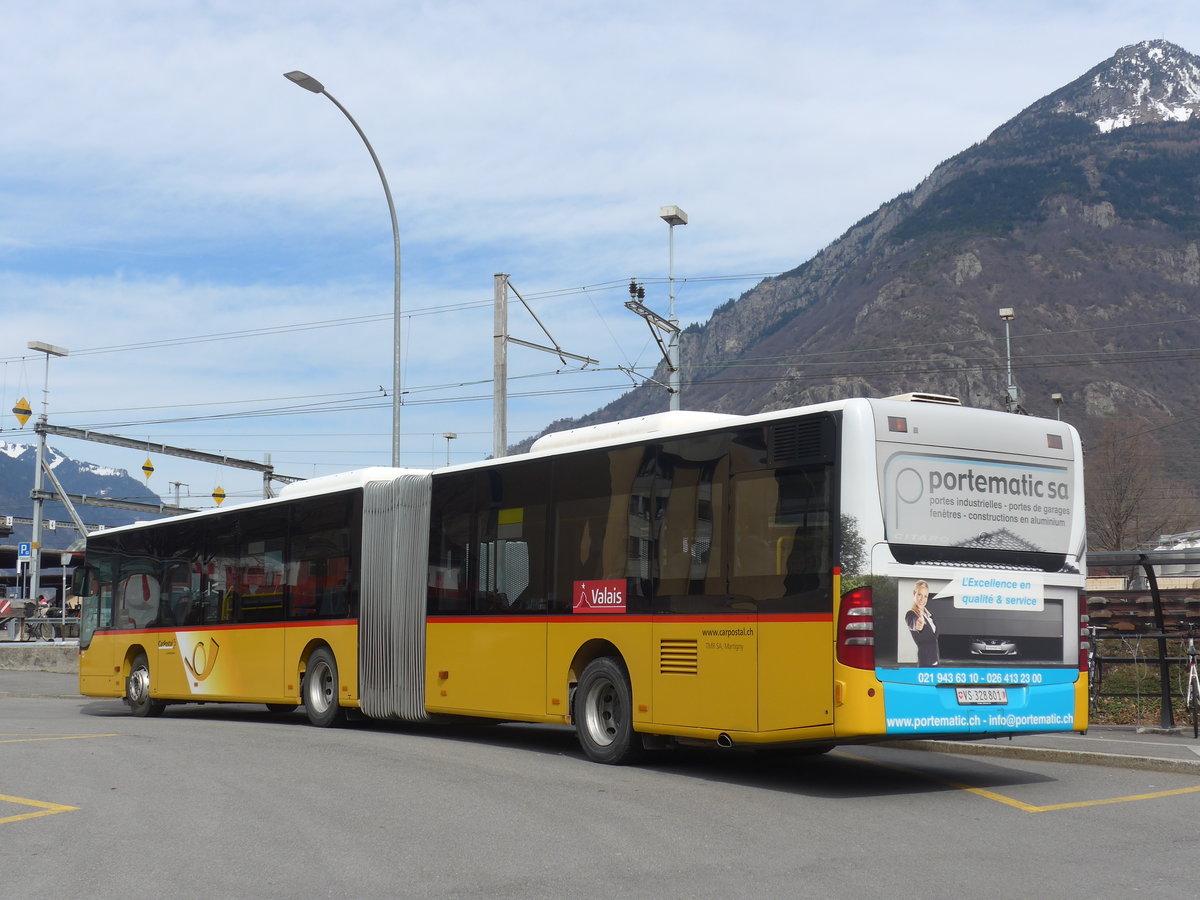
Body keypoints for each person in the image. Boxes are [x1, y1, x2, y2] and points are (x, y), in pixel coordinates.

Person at [904, 579, 940, 666]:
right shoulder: (911, 614)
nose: (922, 599)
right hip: (925, 663)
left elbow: (933, 637)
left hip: (935, 662)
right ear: (914, 594)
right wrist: (918, 624)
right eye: (919, 594)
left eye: (925, 596)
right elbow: (913, 623)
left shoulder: (930, 615)